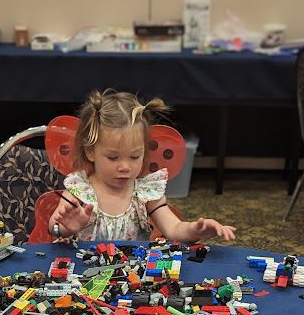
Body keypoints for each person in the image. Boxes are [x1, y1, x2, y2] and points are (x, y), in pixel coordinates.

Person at [48, 90, 236, 243]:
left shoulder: (145, 193)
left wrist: (196, 230)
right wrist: (65, 228)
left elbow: (173, 229)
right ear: (90, 152)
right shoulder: (79, 189)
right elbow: (53, 227)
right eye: (113, 157)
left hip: (133, 277)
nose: (125, 167)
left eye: (135, 156)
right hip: (85, 277)